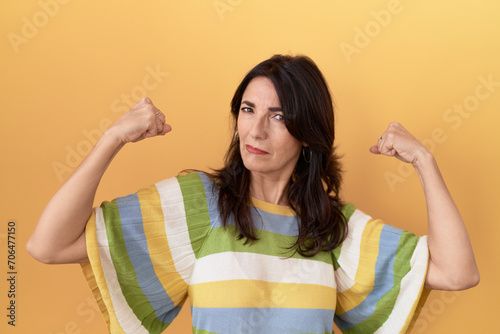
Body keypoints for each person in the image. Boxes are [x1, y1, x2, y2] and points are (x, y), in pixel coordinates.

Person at [27, 54, 479, 334]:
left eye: (279, 116)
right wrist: (113, 138)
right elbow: (48, 245)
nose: (256, 130)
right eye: (248, 109)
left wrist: (424, 162)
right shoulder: (201, 206)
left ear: (308, 134)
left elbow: (458, 273)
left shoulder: (330, 229)